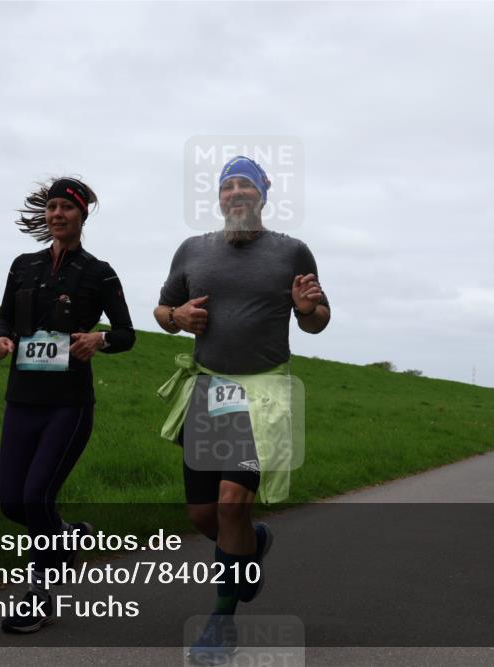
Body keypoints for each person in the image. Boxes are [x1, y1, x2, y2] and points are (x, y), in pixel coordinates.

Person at [154, 156, 330, 664]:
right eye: (228, 185)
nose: (236, 193)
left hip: (264, 395)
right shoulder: (192, 250)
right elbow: (163, 312)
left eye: (245, 185)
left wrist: (305, 308)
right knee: (205, 516)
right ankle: (251, 544)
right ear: (219, 198)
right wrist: (177, 316)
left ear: (263, 194)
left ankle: (220, 623)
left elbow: (319, 319)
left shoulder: (292, 251)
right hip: (209, 392)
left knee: (232, 501)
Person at [0, 177, 135, 632]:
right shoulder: (23, 265)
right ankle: (68, 536)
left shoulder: (99, 272)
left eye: (66, 208)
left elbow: (126, 333)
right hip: (22, 399)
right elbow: (5, 316)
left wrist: (100, 339)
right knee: (12, 502)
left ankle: (38, 594)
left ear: (81, 215)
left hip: (68, 405)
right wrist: (0, 337)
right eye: (51, 207)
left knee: (38, 498)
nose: (57, 215)